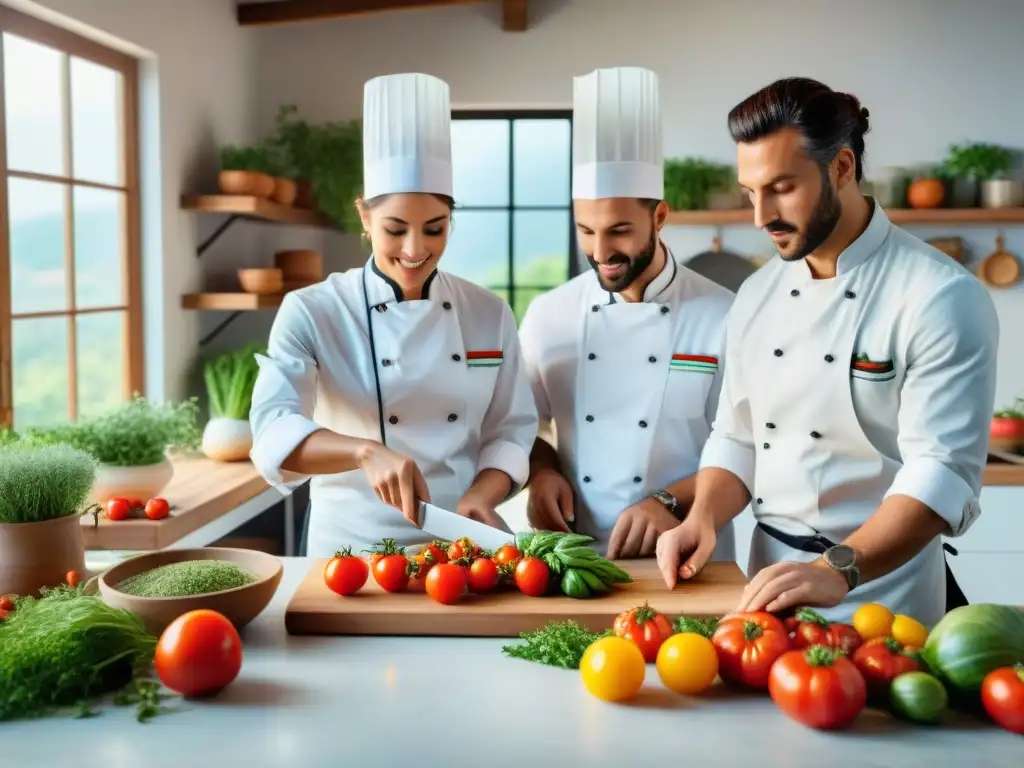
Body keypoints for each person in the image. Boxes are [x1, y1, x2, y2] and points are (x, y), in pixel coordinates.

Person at [656, 77, 999, 628]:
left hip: (885, 594)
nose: (760, 216)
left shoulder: (939, 295)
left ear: (841, 167)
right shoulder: (757, 293)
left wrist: (838, 567)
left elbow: (941, 473)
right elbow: (737, 436)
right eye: (750, 193)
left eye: (782, 188)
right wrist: (703, 517)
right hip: (764, 588)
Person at [248, 72, 538, 556]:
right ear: (364, 217)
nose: (415, 248)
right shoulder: (313, 311)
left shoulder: (488, 312)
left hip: (461, 545)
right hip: (349, 552)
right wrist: (363, 451)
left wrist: (483, 496)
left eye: (435, 228)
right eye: (395, 229)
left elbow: (511, 429)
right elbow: (274, 427)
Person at [518, 66, 737, 561]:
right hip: (574, 559)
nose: (600, 251)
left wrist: (667, 501)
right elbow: (517, 425)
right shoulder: (549, 315)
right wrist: (542, 469)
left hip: (689, 553)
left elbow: (747, 448)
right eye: (586, 230)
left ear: (660, 216)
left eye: (618, 230)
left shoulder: (724, 315)